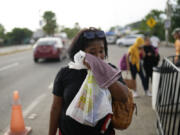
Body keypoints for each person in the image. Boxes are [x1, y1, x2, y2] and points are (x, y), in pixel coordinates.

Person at [48, 27, 129, 135]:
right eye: (92, 52)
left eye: (101, 51)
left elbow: (123, 97)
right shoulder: (65, 73)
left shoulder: (110, 70)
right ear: (81, 53)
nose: (98, 56)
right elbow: (56, 108)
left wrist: (103, 73)